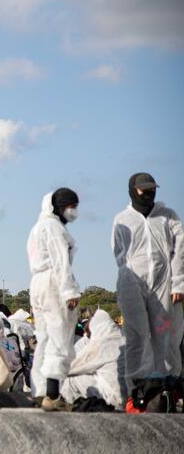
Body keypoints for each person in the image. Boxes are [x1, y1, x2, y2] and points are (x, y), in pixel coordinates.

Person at [111, 172, 183, 409]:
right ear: (133, 190)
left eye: (152, 189)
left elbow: (180, 250)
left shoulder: (167, 216)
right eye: (143, 190)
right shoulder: (122, 219)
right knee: (136, 336)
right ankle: (137, 391)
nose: (148, 194)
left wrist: (178, 283)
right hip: (132, 282)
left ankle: (168, 388)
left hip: (164, 282)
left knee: (166, 335)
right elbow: (118, 252)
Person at [27, 188, 82, 411]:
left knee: (44, 339)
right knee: (59, 336)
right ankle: (52, 393)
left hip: (37, 284)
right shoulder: (53, 227)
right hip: (53, 283)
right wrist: (69, 291)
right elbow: (61, 261)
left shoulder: (37, 228)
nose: (74, 211)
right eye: (71, 206)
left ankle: (39, 391)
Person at [61, 309, 125, 409]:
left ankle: (66, 410)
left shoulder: (101, 344)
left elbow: (70, 368)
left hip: (115, 398)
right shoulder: (123, 339)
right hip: (131, 395)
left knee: (70, 379)